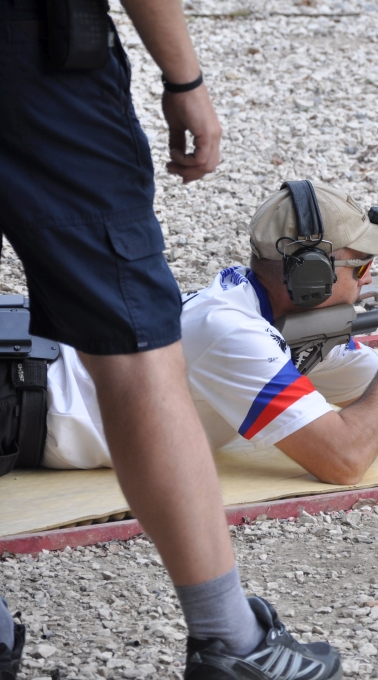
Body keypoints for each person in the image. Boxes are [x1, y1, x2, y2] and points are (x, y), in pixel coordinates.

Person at [0, 1, 342, 678]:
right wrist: (184, 79)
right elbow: (342, 456)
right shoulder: (225, 325)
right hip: (36, 49)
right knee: (137, 351)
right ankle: (231, 642)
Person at [40, 182, 378, 484]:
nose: (369, 280)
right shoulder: (231, 332)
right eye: (360, 267)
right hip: (27, 411)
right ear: (310, 276)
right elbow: (343, 460)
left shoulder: (293, 323)